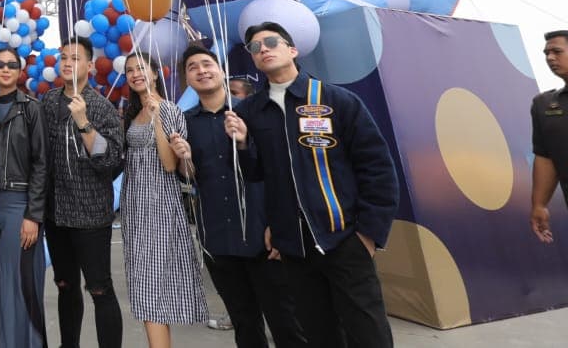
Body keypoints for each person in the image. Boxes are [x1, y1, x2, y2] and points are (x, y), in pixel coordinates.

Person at [225, 22, 398, 347]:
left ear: (292, 50)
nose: (263, 48)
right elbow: (255, 175)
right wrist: (244, 144)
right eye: (255, 47)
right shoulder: (251, 111)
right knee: (318, 334)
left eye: (272, 41)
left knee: (368, 333)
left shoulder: (336, 100)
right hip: (294, 249)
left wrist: (368, 235)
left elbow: (377, 167)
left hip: (345, 238)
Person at [170, 46, 304, 348]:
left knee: (287, 322)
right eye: (193, 67)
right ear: (187, 80)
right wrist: (183, 158)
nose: (202, 70)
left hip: (264, 238)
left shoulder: (254, 112)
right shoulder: (185, 123)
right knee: (244, 324)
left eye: (207, 64)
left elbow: (279, 171)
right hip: (218, 238)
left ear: (221, 71)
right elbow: (189, 177)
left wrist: (279, 226)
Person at [118, 52, 206, 347]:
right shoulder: (131, 112)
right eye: (130, 70)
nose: (135, 74)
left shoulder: (168, 110)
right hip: (134, 206)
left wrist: (156, 118)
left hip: (159, 206)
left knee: (153, 287)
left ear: (155, 73)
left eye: (141, 68)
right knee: (144, 287)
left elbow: (171, 165)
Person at [42, 38, 125, 348]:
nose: (67, 62)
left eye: (75, 58)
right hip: (56, 214)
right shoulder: (48, 102)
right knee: (65, 286)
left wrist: (84, 123)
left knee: (100, 289)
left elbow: (111, 161)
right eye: (63, 57)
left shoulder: (102, 106)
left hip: (91, 216)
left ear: (90, 66)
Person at [0, 48, 47, 348]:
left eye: (11, 65)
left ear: (20, 71)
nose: (5, 69)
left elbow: (42, 164)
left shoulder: (31, 109)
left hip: (19, 205)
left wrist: (33, 215)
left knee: (18, 286)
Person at [531, 30, 568, 243]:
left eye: (557, 51)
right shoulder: (543, 105)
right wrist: (539, 205)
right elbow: (546, 158)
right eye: (546, 53)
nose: (550, 58)